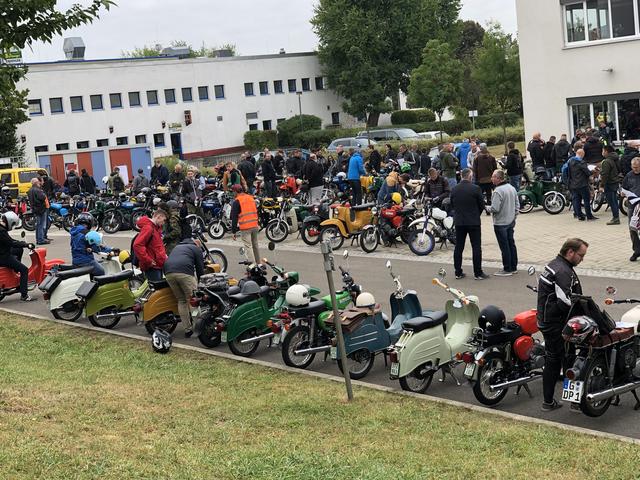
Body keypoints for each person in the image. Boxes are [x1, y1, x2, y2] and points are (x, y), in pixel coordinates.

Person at [537, 238, 588, 411]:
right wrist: (576, 320)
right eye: (581, 255)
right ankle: (574, 403)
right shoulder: (563, 271)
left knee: (552, 361)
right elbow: (565, 302)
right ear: (570, 252)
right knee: (569, 361)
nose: (582, 259)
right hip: (558, 324)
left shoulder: (554, 265)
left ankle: (548, 402)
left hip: (547, 321)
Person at [450, 168, 488, 280]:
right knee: (476, 247)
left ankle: (458, 272)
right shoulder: (475, 188)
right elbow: (481, 205)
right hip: (473, 221)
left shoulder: (454, 189)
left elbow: (452, 204)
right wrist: (476, 214)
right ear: (470, 177)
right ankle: (478, 272)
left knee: (459, 247)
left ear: (462, 176)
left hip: (459, 221)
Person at [164, 237, 204, 338]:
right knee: (193, 300)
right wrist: (202, 285)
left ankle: (187, 329)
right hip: (184, 273)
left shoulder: (177, 247)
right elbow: (200, 269)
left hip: (168, 273)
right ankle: (199, 328)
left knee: (181, 300)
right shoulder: (196, 248)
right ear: (197, 244)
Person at [490, 170, 519, 276]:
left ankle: (507, 268)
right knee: (511, 244)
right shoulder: (512, 188)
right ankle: (513, 266)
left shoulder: (497, 191)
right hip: (510, 221)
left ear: (498, 178)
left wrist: (486, 207)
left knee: (504, 246)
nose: (491, 179)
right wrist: (514, 217)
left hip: (500, 223)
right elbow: (517, 205)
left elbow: (495, 208)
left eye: (493, 177)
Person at [0, 212, 34, 301]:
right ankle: (24, 295)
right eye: (13, 224)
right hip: (3, 257)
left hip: (2, 252)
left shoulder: (1, 228)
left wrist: (21, 243)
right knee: (24, 270)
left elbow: (9, 241)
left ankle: (15, 272)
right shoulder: (1, 231)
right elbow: (11, 243)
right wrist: (26, 245)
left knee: (18, 249)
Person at [134, 208, 168, 281]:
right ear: (158, 217)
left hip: (157, 265)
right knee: (155, 286)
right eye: (164, 220)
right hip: (152, 267)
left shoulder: (155, 228)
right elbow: (137, 245)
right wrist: (148, 260)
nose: (164, 223)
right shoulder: (149, 228)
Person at [230, 184, 260, 264]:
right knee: (255, 245)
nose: (232, 194)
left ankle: (253, 265)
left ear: (235, 192)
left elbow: (234, 217)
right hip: (254, 225)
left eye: (232, 192)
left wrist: (233, 231)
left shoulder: (237, 201)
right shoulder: (250, 198)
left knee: (248, 246)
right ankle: (258, 263)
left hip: (246, 227)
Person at [568, 149, 597, 221]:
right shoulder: (581, 162)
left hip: (573, 184)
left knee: (577, 200)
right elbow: (587, 172)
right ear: (581, 154)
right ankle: (589, 216)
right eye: (583, 154)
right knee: (586, 200)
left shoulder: (570, 161)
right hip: (582, 184)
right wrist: (592, 171)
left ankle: (580, 216)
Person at [622, 157, 640, 261]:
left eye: (637, 167)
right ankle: (637, 250)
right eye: (633, 167)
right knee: (632, 228)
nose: (635, 169)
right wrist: (623, 193)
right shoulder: (629, 175)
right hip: (632, 205)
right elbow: (624, 188)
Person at [600, 145, 621, 225]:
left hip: (609, 183)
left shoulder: (606, 161)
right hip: (615, 181)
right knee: (614, 200)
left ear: (606, 151)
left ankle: (615, 218)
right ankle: (616, 216)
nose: (602, 152)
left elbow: (605, 174)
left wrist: (602, 185)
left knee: (611, 201)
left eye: (602, 151)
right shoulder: (615, 158)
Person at [27, 178, 49, 245]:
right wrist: (44, 194)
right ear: (36, 182)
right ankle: (41, 240)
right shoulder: (38, 190)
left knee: (38, 225)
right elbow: (43, 197)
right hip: (41, 209)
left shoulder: (30, 190)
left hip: (35, 209)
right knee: (41, 225)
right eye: (38, 182)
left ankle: (38, 239)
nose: (39, 183)